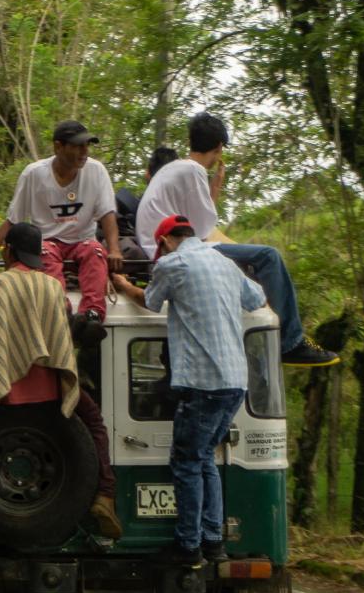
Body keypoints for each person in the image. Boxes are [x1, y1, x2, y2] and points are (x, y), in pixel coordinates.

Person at [0, 222, 121, 539]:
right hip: (51, 392)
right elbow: (61, 334)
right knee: (94, 423)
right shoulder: (53, 288)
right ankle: (104, 495)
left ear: (7, 251)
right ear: (37, 254)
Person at [113, 214, 266, 565]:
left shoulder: (172, 263)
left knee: (185, 463)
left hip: (202, 382)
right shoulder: (224, 262)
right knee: (204, 458)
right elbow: (256, 299)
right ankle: (213, 542)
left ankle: (188, 547)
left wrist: (121, 284)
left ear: (164, 240)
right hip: (234, 382)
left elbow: (150, 301)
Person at [135, 112, 339, 368]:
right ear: (219, 147)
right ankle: (290, 343)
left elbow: (192, 223)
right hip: (174, 249)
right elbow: (202, 229)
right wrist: (216, 188)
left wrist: (213, 189)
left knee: (251, 260)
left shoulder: (175, 169)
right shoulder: (193, 170)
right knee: (268, 256)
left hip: (162, 245)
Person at [0, 121, 123, 347]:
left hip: (84, 240)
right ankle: (62, 311)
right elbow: (13, 219)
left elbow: (108, 214)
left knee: (96, 251)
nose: (85, 152)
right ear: (58, 147)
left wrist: (114, 249)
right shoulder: (34, 174)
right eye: (78, 146)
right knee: (45, 254)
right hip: (48, 241)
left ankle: (92, 316)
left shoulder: (96, 170)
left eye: (87, 146)